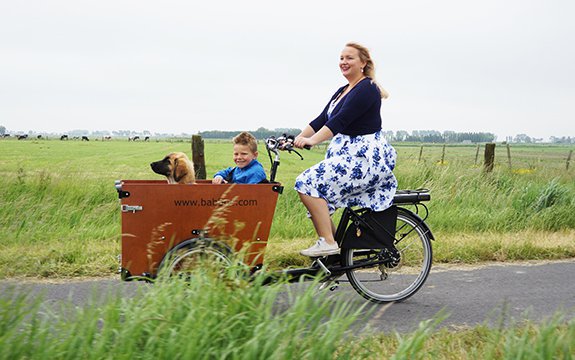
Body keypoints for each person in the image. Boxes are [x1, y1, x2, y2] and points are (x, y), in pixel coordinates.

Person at [293, 42, 398, 257]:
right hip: (348, 155)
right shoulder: (343, 91)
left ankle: (328, 243)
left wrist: (312, 141)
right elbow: (322, 118)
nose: (343, 62)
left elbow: (340, 121)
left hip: (364, 159)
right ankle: (336, 254)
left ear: (363, 63)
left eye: (349, 58)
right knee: (314, 192)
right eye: (341, 58)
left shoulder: (367, 88)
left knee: (306, 183)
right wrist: (299, 137)